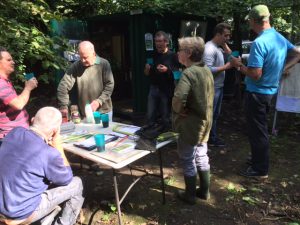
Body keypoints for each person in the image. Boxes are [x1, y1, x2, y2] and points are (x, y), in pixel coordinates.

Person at [231, 5, 300, 178]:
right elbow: (298, 53)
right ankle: (257, 159)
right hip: (270, 92)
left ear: (254, 21)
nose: (249, 25)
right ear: (267, 18)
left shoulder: (260, 42)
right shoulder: (278, 37)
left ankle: (260, 169)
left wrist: (239, 66)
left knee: (257, 131)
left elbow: (254, 74)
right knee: (259, 129)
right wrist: (284, 67)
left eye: (250, 22)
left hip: (257, 93)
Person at [0, 107, 84, 225]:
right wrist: (58, 146)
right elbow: (66, 179)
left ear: (33, 120)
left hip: (2, 205)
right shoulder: (49, 153)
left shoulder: (15, 132)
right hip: (20, 212)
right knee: (77, 183)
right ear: (55, 131)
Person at [172, 37, 214, 204]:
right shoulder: (206, 70)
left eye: (180, 50)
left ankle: (190, 195)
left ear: (188, 53)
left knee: (188, 158)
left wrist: (179, 110)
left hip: (190, 125)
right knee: (202, 155)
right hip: (205, 123)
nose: (178, 53)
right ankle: (204, 191)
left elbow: (178, 98)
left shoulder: (188, 73)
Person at [57, 41, 114, 121]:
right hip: (85, 114)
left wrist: (99, 101)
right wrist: (63, 106)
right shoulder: (76, 66)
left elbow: (109, 85)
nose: (83, 60)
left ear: (93, 53)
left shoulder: (104, 64)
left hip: (104, 112)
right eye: (80, 57)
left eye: (85, 57)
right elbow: (63, 86)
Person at [203, 23, 233, 147]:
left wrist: (224, 43)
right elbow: (206, 69)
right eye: (225, 35)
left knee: (214, 114)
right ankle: (207, 139)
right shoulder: (209, 48)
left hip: (218, 86)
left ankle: (211, 137)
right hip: (212, 87)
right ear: (217, 34)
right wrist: (226, 67)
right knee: (209, 114)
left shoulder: (218, 47)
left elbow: (230, 54)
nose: (228, 38)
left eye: (229, 36)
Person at [0, 46, 38, 145]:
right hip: (11, 137)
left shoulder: (5, 81)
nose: (13, 62)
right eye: (8, 60)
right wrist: (28, 88)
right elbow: (18, 104)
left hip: (16, 134)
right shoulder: (0, 83)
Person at [144, 31, 180, 131]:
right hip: (153, 88)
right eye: (156, 41)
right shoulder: (152, 55)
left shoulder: (173, 56)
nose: (158, 44)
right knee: (150, 113)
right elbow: (147, 73)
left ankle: (166, 136)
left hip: (166, 89)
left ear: (166, 42)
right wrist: (146, 69)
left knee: (165, 114)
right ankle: (150, 134)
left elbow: (177, 75)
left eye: (160, 41)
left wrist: (167, 70)